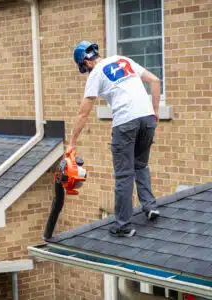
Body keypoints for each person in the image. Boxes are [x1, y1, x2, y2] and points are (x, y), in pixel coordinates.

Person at [66, 40, 160, 237]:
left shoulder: (97, 73)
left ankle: (123, 226)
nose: (87, 72)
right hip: (147, 118)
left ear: (86, 61)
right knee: (140, 165)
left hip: (126, 122)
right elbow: (155, 81)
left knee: (124, 174)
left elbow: (83, 113)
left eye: (84, 68)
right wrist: (155, 111)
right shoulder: (122, 59)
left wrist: (72, 142)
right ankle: (150, 207)